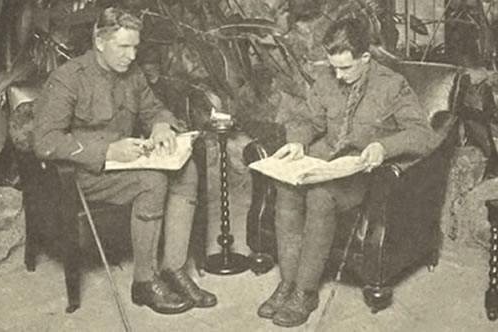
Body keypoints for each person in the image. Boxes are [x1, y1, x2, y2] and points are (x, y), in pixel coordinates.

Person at [257, 17, 440, 327]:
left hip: (358, 172)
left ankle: (305, 292)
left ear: (365, 58)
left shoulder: (391, 85)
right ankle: (287, 284)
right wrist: (298, 144)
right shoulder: (326, 78)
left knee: (320, 196)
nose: (338, 76)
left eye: (346, 68)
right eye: (334, 67)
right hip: (320, 161)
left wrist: (383, 146)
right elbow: (308, 120)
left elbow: (423, 135)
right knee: (286, 188)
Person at [33, 7, 217, 315]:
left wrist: (160, 123)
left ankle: (174, 268)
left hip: (127, 165)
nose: (131, 56)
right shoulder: (69, 78)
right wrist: (107, 151)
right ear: (100, 41)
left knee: (188, 171)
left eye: (135, 46)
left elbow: (152, 108)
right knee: (152, 181)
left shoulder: (133, 75)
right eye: (123, 47)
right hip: (86, 174)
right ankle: (144, 282)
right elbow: (45, 141)